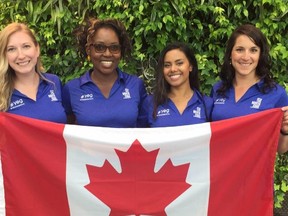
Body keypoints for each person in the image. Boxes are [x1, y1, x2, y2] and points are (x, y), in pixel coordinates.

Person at [210, 24, 288, 153]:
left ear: (260, 55)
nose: (246, 57)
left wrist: (285, 131)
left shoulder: (276, 93)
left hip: (254, 172)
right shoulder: (217, 89)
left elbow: (281, 148)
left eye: (253, 50)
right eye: (240, 49)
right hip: (218, 170)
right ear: (230, 54)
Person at [62, 18, 148, 127]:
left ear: (121, 51)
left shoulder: (135, 85)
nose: (107, 54)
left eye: (114, 48)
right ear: (89, 49)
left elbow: (146, 131)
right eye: (99, 47)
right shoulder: (72, 89)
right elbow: (65, 132)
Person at [0, 22, 67, 123]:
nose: (21, 55)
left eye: (26, 46)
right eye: (11, 49)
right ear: (4, 55)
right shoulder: (2, 92)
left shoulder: (53, 82)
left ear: (37, 49)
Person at [147, 42, 213, 127]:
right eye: (167, 65)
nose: (173, 69)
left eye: (179, 63)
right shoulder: (150, 103)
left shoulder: (207, 104)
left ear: (190, 66)